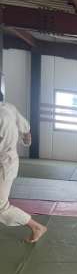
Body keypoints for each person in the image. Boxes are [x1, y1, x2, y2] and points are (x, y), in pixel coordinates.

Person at [0, 100, 47, 242]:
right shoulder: (8, 107)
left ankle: (36, 227)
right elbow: (26, 128)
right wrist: (26, 140)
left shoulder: (2, 116)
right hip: (9, 160)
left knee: (1, 207)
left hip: (5, 164)